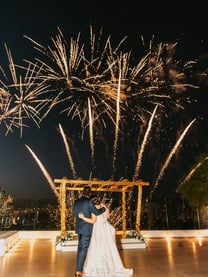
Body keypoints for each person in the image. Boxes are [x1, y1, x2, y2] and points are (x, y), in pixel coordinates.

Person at [78, 197, 134, 277]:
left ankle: (99, 270)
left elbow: (93, 221)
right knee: (109, 248)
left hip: (98, 230)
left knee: (98, 248)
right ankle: (112, 267)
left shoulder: (94, 209)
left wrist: (83, 217)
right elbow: (108, 217)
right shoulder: (105, 206)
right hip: (106, 229)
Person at [72, 186, 106, 277]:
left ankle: (78, 269)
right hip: (87, 229)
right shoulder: (89, 202)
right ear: (89, 193)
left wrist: (81, 217)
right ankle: (78, 272)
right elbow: (97, 212)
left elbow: (74, 214)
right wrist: (104, 209)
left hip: (79, 229)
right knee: (83, 249)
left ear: (82, 192)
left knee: (80, 249)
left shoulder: (76, 201)